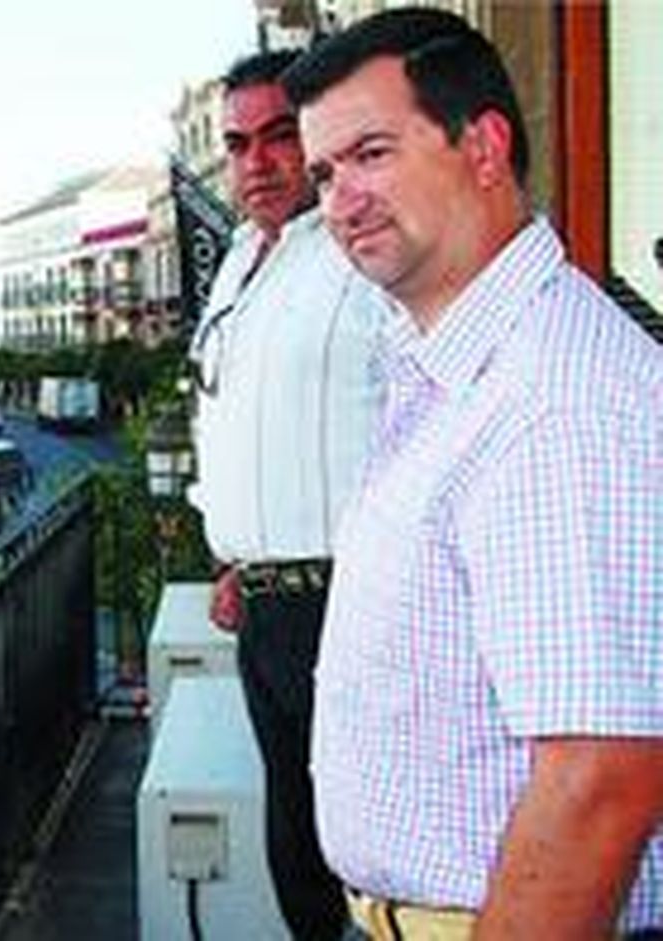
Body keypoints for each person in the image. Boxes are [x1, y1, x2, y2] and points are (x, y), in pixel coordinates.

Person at [284, 9, 663, 939]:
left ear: (484, 144)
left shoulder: (554, 401)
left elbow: (602, 775)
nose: (341, 199)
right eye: (326, 172)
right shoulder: (458, 365)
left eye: (371, 153)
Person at [185, 48, 386, 941]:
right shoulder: (236, 262)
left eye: (278, 136)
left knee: (371, 855)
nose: (256, 162)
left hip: (355, 602)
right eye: (237, 144)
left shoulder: (361, 250)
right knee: (294, 849)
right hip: (262, 608)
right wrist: (232, 554)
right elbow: (229, 419)